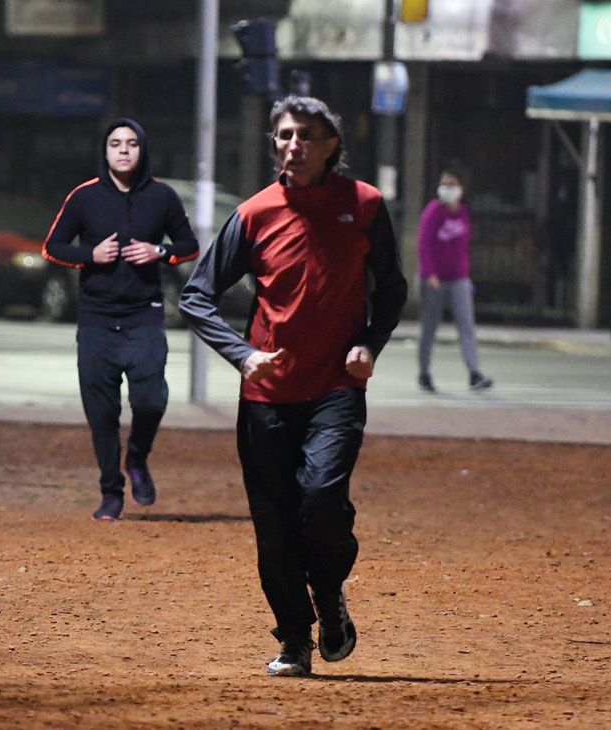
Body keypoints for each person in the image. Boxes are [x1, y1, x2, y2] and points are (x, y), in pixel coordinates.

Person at [180, 96, 406, 677]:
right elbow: (196, 295)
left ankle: (328, 594)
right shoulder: (254, 213)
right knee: (274, 524)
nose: (292, 145)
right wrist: (242, 353)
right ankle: (295, 640)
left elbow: (393, 287)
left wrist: (369, 345)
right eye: (283, 135)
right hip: (266, 397)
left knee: (322, 501)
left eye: (305, 135)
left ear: (331, 143)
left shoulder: (365, 206)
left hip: (336, 387)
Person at [43, 118, 198, 521]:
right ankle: (111, 491)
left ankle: (138, 458)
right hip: (95, 318)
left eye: (131, 143)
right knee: (102, 413)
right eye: (116, 143)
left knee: (151, 399)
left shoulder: (162, 197)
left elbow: (189, 246)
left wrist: (159, 252)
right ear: (105, 151)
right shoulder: (85, 196)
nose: (124, 150)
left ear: (142, 150)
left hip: (143, 315)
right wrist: (89, 256)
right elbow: (52, 247)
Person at [416, 170, 493, 393]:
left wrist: (466, 275)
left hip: (458, 279)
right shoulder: (433, 211)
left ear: (461, 188)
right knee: (429, 329)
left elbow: (463, 248)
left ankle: (474, 373)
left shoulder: (463, 213)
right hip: (434, 280)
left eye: (452, 184)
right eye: (444, 184)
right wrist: (430, 273)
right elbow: (424, 244)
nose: (448, 188)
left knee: (466, 325)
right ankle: (424, 373)